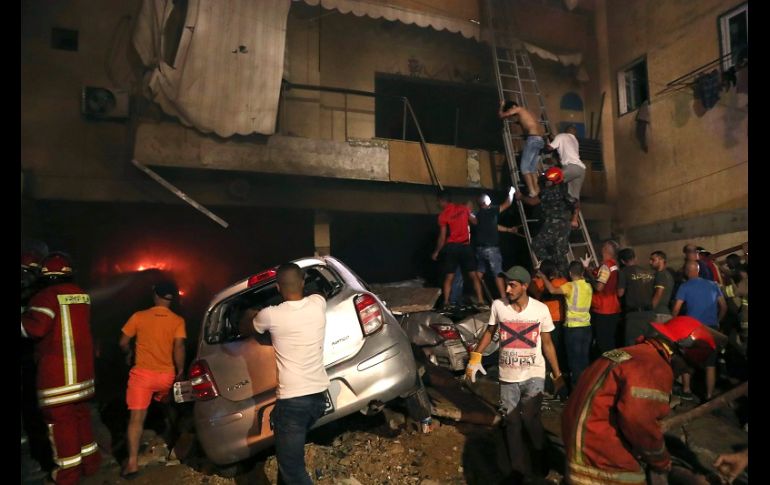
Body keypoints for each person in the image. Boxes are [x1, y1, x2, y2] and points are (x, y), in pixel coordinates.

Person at [562, 316, 725, 485]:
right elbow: (639, 422)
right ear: (680, 352)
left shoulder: (626, 353)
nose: (687, 372)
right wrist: (661, 461)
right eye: (688, 366)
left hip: (578, 448)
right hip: (601, 459)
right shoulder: (653, 367)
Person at [466, 266, 563, 483]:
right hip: (508, 375)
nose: (507, 289)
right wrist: (476, 357)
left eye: (513, 285)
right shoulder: (499, 305)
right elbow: (490, 332)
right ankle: (518, 470)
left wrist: (557, 375)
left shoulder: (540, 309)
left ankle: (540, 461)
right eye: (507, 284)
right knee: (512, 422)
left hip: (534, 373)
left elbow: (547, 343)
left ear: (525, 286)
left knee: (530, 418)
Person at [239, 263, 329, 485]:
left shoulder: (270, 315)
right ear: (302, 282)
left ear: (278, 288)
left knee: (293, 470)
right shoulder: (318, 304)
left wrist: (250, 312)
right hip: (318, 398)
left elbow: (246, 328)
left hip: (292, 404)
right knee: (288, 465)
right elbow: (317, 292)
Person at [21, 252, 101, 485]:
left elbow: (35, 329)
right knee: (81, 418)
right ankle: (91, 464)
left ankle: (67, 476)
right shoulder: (81, 295)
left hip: (57, 377)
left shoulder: (46, 296)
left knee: (61, 425)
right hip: (83, 376)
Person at [119, 280, 186, 478]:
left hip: (142, 377)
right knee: (170, 408)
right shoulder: (177, 320)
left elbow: (122, 341)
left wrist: (128, 353)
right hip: (165, 376)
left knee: (136, 420)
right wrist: (180, 369)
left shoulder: (139, 317)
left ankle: (132, 464)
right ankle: (175, 443)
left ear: (155, 295)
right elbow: (179, 347)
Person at [672, 260, 727, 401]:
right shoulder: (713, 285)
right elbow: (724, 307)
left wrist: (674, 323)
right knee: (710, 363)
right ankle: (709, 395)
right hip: (711, 328)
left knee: (686, 358)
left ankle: (686, 390)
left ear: (686, 272)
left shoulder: (684, 286)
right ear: (698, 271)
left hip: (693, 329)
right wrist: (717, 321)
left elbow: (676, 309)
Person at [538, 261, 592, 391]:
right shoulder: (588, 286)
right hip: (586, 327)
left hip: (573, 329)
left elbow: (551, 290)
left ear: (570, 273)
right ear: (582, 273)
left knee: (574, 363)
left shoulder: (570, 286)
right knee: (584, 361)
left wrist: (543, 277)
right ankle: (586, 389)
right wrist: (585, 266)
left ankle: (575, 392)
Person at [431, 190, 486, 308]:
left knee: (449, 276)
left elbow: (442, 236)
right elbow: (475, 221)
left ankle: (446, 302)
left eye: (438, 202)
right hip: (465, 246)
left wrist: (436, 251)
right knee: (473, 275)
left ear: (442, 201)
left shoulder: (443, 215)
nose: (438, 204)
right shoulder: (463, 208)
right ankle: (481, 301)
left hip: (452, 247)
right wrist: (469, 211)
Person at [517, 166, 574, 275]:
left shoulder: (548, 192)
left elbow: (532, 202)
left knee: (537, 244)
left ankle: (550, 266)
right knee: (560, 253)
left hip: (553, 224)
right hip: (565, 225)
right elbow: (575, 203)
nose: (546, 182)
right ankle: (564, 278)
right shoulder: (564, 190)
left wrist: (521, 197)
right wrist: (575, 219)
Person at [473, 188, 516, 300]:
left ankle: (480, 299)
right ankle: (503, 298)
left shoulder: (478, 215)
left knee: (479, 273)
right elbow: (508, 203)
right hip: (492, 249)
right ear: (487, 202)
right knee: (498, 272)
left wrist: (508, 230)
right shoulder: (492, 211)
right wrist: (511, 192)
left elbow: (493, 226)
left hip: (479, 250)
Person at [499, 100, 545, 198]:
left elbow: (501, 115)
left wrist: (502, 106)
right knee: (532, 169)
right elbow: (522, 122)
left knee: (524, 168)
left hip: (532, 139)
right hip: (540, 140)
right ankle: (536, 190)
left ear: (512, 108)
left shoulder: (518, 109)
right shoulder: (528, 113)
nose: (512, 115)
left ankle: (532, 191)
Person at [546, 124, 585, 229]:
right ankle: (575, 220)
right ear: (574, 133)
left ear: (566, 130)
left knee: (549, 181)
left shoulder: (562, 136)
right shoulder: (575, 141)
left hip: (571, 168)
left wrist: (546, 143)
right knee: (575, 197)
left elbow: (549, 148)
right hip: (581, 169)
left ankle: (552, 210)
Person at [617, 248, 656, 346]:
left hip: (634, 316)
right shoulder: (648, 272)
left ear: (622, 261)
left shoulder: (623, 272)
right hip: (650, 314)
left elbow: (620, 293)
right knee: (651, 345)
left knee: (633, 347)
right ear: (635, 258)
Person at [589, 240, 622, 354]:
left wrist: (588, 273)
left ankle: (608, 368)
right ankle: (616, 366)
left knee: (603, 343)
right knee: (610, 341)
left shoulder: (605, 266)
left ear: (606, 250)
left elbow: (599, 287)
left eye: (603, 246)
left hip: (603, 309)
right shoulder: (614, 265)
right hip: (614, 308)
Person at [650, 250, 675, 323]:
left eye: (653, 260)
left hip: (658, 314)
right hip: (665, 313)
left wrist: (650, 310)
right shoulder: (668, 275)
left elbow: (658, 293)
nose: (650, 262)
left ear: (661, 260)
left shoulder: (660, 274)